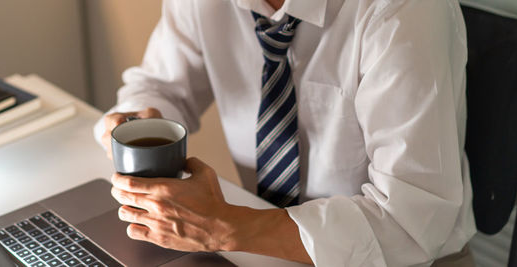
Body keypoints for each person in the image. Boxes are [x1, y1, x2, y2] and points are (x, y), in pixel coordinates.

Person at [93, 0, 476, 266]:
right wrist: (138, 119)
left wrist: (222, 227)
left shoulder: (404, 12)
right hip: (258, 245)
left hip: (403, 258)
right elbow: (160, 84)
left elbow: (410, 223)